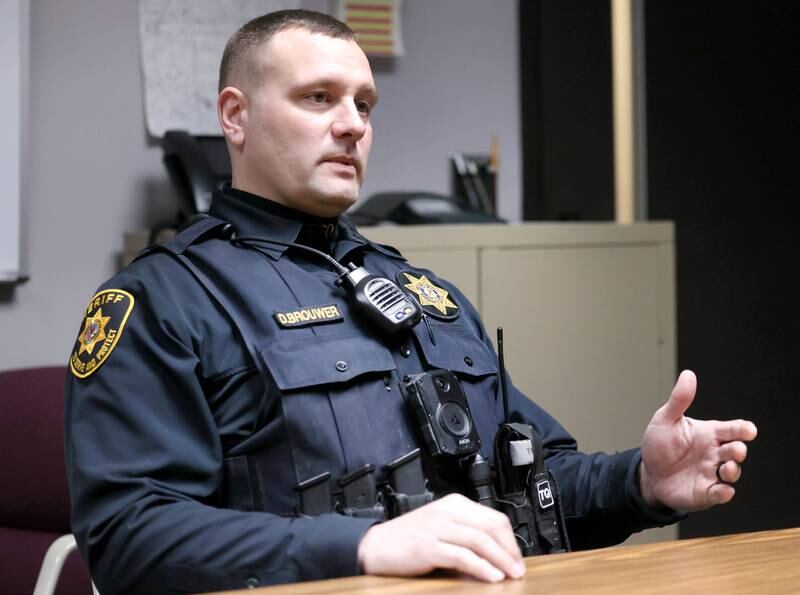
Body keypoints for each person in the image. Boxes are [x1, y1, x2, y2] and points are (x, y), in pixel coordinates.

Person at [64, 9, 757, 595]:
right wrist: (361, 547)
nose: (352, 125)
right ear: (235, 117)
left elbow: (534, 482)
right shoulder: (163, 300)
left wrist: (641, 478)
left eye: (363, 104)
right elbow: (130, 535)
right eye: (318, 98)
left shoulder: (427, 296)